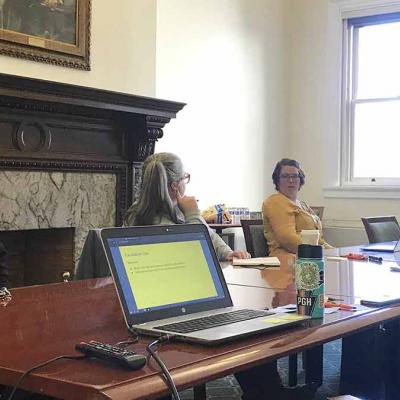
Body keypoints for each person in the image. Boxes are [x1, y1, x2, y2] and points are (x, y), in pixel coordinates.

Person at [125, 153, 314, 400]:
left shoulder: (169, 213)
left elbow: (213, 242)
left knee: (250, 323)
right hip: (177, 309)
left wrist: (230, 252)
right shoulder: (156, 221)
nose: (186, 183)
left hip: (192, 301)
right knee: (247, 325)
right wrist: (193, 214)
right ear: (175, 187)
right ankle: (268, 393)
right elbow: (196, 252)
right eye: (185, 178)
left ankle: (265, 392)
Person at [262, 158, 332, 256]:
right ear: (277, 180)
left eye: (295, 176)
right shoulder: (275, 202)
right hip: (287, 260)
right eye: (285, 176)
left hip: (311, 256)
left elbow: (319, 240)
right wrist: (319, 251)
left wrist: (336, 252)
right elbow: (288, 239)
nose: (291, 180)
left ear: (300, 179)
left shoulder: (303, 205)